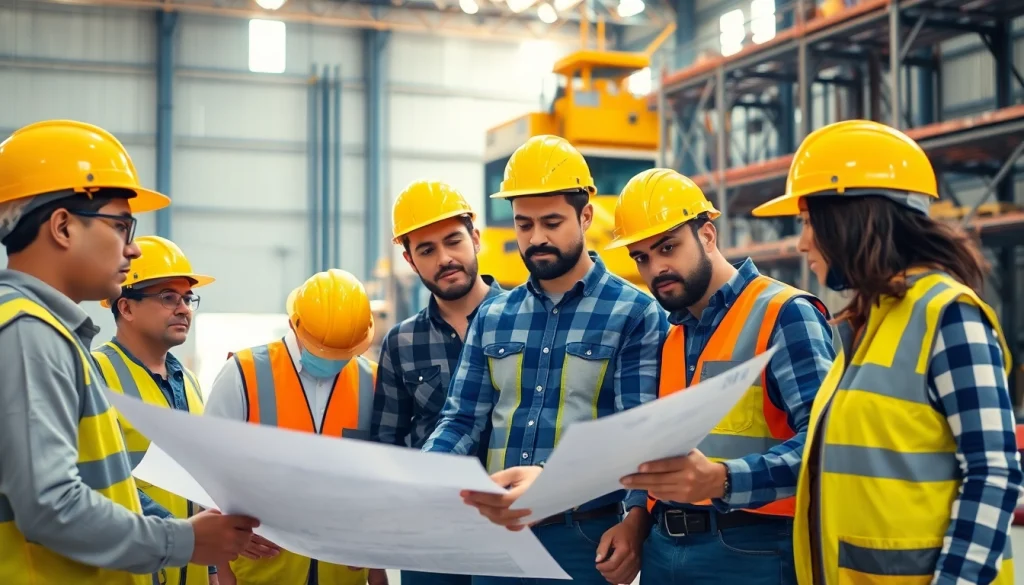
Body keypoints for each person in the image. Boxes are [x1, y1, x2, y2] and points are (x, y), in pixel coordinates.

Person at [460, 167, 837, 585]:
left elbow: (827, 446)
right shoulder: (670, 333)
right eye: (642, 257)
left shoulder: (784, 313)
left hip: (753, 551)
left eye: (668, 247)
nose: (657, 268)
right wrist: (630, 515)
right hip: (664, 551)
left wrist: (723, 479)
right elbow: (638, 449)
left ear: (707, 235)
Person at [748, 119, 1022, 585]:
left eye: (809, 221)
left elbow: (993, 473)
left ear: (854, 218)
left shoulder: (946, 315)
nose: (802, 242)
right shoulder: (869, 323)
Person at [0, 119, 261, 585]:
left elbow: (107, 486)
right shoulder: (27, 332)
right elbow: (50, 505)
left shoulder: (46, 333)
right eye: (121, 225)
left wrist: (193, 533)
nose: (134, 248)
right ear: (62, 226)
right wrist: (182, 542)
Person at [423, 135, 669, 585]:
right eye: (523, 224)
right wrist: (420, 479)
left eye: (552, 222)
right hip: (498, 533)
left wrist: (635, 520)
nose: (536, 238)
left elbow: (640, 436)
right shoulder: (493, 316)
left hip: (586, 539)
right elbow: (461, 421)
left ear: (586, 215)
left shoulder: (634, 313)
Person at [92, 235, 276, 585]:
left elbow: (198, 485)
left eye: (188, 298)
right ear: (126, 307)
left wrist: (212, 564)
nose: (184, 308)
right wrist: (186, 537)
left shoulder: (189, 382)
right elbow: (100, 486)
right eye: (168, 297)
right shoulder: (95, 375)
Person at [204, 268, 388, 585]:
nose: (333, 359)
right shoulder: (243, 375)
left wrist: (376, 568)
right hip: (261, 573)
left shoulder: (373, 382)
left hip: (342, 575)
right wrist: (219, 569)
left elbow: (379, 483)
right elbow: (207, 475)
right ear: (294, 324)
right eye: (322, 348)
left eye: (344, 352)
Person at [372, 180, 505, 585]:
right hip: (432, 534)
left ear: (476, 239)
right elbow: (387, 445)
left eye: (453, 241)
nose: (445, 258)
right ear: (411, 262)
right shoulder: (402, 342)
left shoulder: (526, 319)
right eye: (427, 250)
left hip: (512, 524)